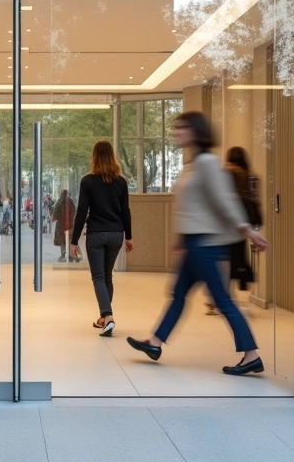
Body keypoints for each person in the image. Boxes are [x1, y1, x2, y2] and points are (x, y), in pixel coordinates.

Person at [126, 111, 270, 376]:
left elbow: (224, 200)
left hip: (206, 246)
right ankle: (155, 343)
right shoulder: (192, 165)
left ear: (196, 132)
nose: (176, 132)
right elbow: (195, 206)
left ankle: (251, 355)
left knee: (222, 301)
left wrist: (247, 229)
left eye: (181, 127)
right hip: (194, 243)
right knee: (178, 295)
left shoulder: (207, 163)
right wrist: (182, 237)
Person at [70, 141, 133, 337]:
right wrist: (129, 236)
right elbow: (126, 211)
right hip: (116, 234)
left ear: (94, 157)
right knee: (107, 277)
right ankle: (103, 319)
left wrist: (74, 240)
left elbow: (82, 211)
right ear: (113, 156)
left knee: (98, 277)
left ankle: (108, 316)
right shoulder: (121, 182)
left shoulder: (88, 181)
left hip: (96, 234)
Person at [207, 146, 259, 315]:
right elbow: (255, 202)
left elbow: (220, 200)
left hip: (226, 224)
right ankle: (225, 298)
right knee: (237, 260)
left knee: (222, 261)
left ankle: (222, 298)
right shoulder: (252, 177)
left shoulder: (225, 174)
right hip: (243, 225)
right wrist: (254, 229)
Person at [52, 189, 78, 262]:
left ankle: (64, 254)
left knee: (62, 240)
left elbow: (55, 214)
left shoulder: (59, 203)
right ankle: (70, 254)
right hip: (70, 224)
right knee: (69, 239)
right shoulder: (71, 202)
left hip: (61, 225)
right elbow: (74, 211)